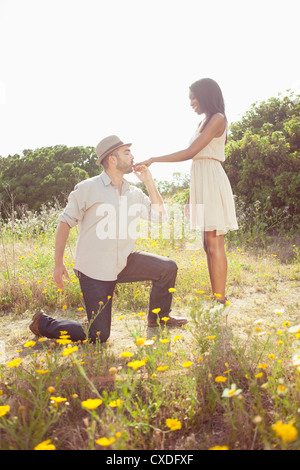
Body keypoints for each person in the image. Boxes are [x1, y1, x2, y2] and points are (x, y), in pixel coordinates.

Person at [30, 135, 188, 343]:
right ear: (112, 159)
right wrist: (58, 263)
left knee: (167, 268)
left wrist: (149, 182)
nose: (133, 157)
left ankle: (158, 318)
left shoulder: (134, 193)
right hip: (94, 270)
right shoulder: (88, 188)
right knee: (98, 335)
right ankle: (42, 323)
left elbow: (160, 216)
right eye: (127, 152)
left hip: (124, 261)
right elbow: (64, 223)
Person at [136, 78, 238, 304]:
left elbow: (191, 152)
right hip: (201, 181)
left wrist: (154, 159)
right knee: (206, 242)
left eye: (193, 97)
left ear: (205, 95)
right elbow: (196, 158)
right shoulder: (203, 122)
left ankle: (220, 300)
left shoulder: (218, 118)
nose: (191, 102)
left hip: (212, 179)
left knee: (214, 241)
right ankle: (217, 296)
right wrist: (193, 194)